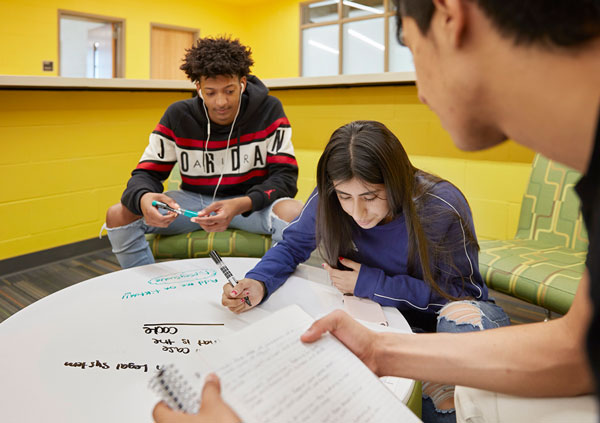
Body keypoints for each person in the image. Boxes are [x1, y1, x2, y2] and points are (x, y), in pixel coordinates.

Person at [154, 0, 600, 421]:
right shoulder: (328, 199)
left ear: (450, 18)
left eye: (407, 43)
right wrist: (256, 282)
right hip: (384, 319)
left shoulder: (439, 206)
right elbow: (578, 348)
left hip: (440, 314)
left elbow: (461, 299)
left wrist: (369, 283)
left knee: (451, 367)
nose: (422, 93)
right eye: (346, 199)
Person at [105, 36, 303, 269]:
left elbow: (285, 178)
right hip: (193, 206)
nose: (221, 102)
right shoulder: (178, 115)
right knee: (117, 214)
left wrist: (240, 204)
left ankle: (270, 280)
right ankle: (147, 291)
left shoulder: (270, 109)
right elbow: (146, 174)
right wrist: (144, 198)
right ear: (198, 87)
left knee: (297, 213)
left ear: (242, 83)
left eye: (229, 91)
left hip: (248, 203)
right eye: (210, 93)